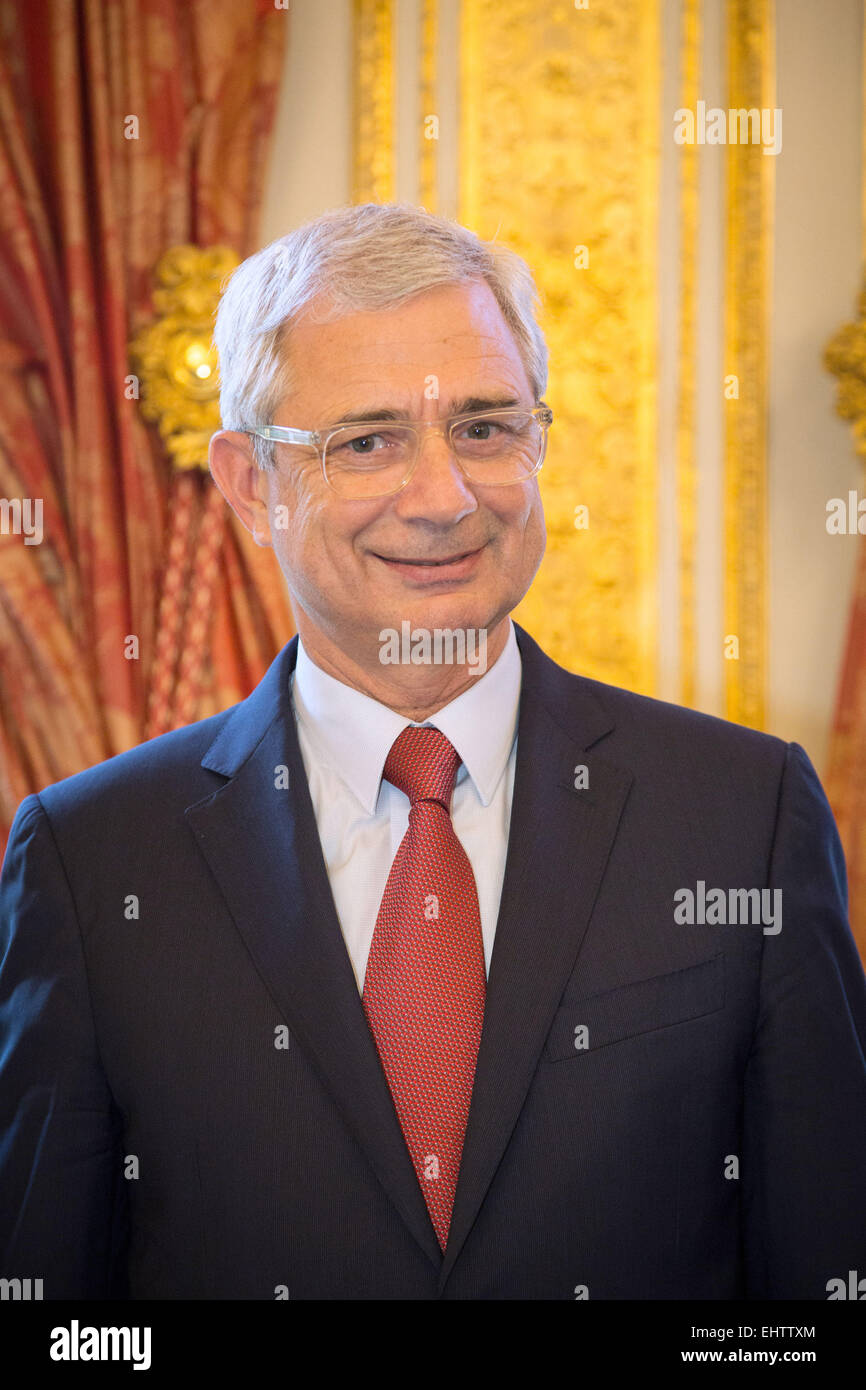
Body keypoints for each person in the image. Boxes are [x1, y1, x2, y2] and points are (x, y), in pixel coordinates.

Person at [1, 202, 864, 1300]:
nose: (443, 497)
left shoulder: (743, 813)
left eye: (483, 427)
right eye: (366, 441)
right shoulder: (93, 860)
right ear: (250, 482)